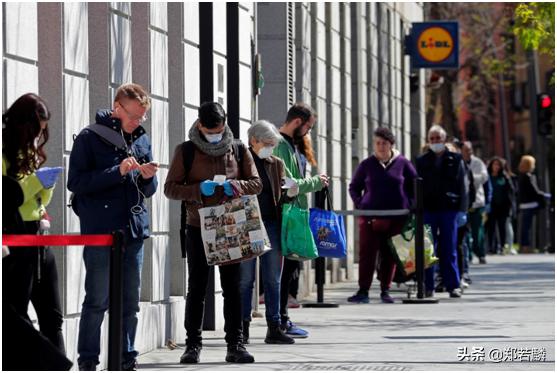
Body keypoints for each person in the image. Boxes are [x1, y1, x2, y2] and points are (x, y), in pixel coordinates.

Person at [68, 83, 159, 371]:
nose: (137, 123)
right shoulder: (89, 138)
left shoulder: (141, 139)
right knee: (97, 299)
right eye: (133, 116)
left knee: (130, 302)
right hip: (100, 230)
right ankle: (88, 362)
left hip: (132, 230)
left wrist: (147, 177)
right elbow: (77, 183)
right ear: (117, 108)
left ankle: (126, 358)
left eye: (142, 117)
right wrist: (116, 171)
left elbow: (149, 190)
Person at [164, 102, 262, 364]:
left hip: (231, 224)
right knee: (196, 287)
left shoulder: (239, 149)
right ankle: (192, 345)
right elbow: (170, 188)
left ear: (225, 124)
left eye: (218, 130)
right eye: (210, 131)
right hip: (198, 226)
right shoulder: (185, 151)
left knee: (232, 287)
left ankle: (235, 344)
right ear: (200, 126)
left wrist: (237, 186)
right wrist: (198, 189)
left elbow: (257, 183)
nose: (215, 135)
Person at [2, 93, 67, 363]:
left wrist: (47, 185)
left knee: (53, 316)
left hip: (40, 238)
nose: (38, 139)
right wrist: (36, 182)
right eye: (35, 132)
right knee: (17, 315)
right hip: (15, 242)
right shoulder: (4, 152)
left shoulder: (28, 151)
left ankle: (58, 366)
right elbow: (9, 197)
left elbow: (36, 199)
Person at [273, 102, 329, 337]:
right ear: (297, 123)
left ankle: (283, 318)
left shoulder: (288, 144)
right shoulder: (282, 146)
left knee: (288, 269)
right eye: (308, 127)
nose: (307, 132)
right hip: (286, 214)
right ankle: (281, 320)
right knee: (284, 271)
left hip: (291, 214)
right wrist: (317, 182)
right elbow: (291, 185)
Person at [239, 120, 296, 345]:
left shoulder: (276, 163)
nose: (270, 148)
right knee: (245, 279)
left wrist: (290, 191)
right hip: (246, 223)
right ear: (254, 141)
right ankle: (242, 327)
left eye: (273, 144)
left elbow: (281, 195)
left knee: (273, 278)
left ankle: (274, 326)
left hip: (271, 223)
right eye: (268, 143)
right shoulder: (239, 161)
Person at [348, 127, 417, 303]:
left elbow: (415, 185)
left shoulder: (403, 163)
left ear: (391, 144)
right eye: (377, 143)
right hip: (370, 217)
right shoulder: (367, 164)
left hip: (396, 218)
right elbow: (354, 187)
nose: (380, 146)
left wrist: (409, 203)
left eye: (384, 143)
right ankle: (363, 291)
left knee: (390, 254)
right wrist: (361, 203)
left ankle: (385, 290)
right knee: (367, 254)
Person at [416, 125, 467, 298]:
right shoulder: (421, 161)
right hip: (428, 210)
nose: (435, 141)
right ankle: (427, 286)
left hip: (449, 210)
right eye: (432, 139)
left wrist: (462, 210)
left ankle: (453, 285)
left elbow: (463, 186)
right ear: (429, 141)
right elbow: (415, 186)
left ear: (444, 140)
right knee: (428, 249)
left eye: (438, 138)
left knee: (449, 249)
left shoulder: (456, 159)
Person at [460, 141, 488, 264]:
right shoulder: (458, 161)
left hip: (477, 202)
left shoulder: (478, 162)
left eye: (469, 150)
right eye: (466, 150)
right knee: (466, 232)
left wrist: (469, 179)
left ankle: (481, 254)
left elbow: (484, 177)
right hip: (464, 203)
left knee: (478, 231)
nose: (468, 152)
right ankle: (469, 255)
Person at [517, 155, 550, 253]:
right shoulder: (528, 176)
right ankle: (526, 247)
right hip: (530, 204)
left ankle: (524, 246)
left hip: (524, 204)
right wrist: (544, 195)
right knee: (527, 227)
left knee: (525, 227)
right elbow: (534, 191)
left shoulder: (521, 176)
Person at [485, 157, 515, 255]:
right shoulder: (487, 176)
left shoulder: (505, 177)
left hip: (503, 207)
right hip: (491, 206)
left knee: (502, 227)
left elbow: (511, 191)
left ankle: (502, 246)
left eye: (498, 165)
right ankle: (492, 247)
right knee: (491, 227)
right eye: (494, 164)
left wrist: (510, 204)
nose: (496, 167)